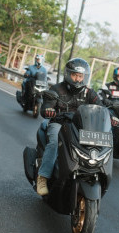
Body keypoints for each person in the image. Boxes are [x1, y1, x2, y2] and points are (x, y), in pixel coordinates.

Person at [36, 58, 101, 196]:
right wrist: (49, 110)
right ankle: (43, 177)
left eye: (80, 76)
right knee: (54, 143)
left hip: (80, 128)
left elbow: (101, 108)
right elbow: (47, 105)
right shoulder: (57, 89)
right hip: (59, 124)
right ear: (68, 74)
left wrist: (111, 117)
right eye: (75, 75)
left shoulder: (89, 93)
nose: (78, 79)